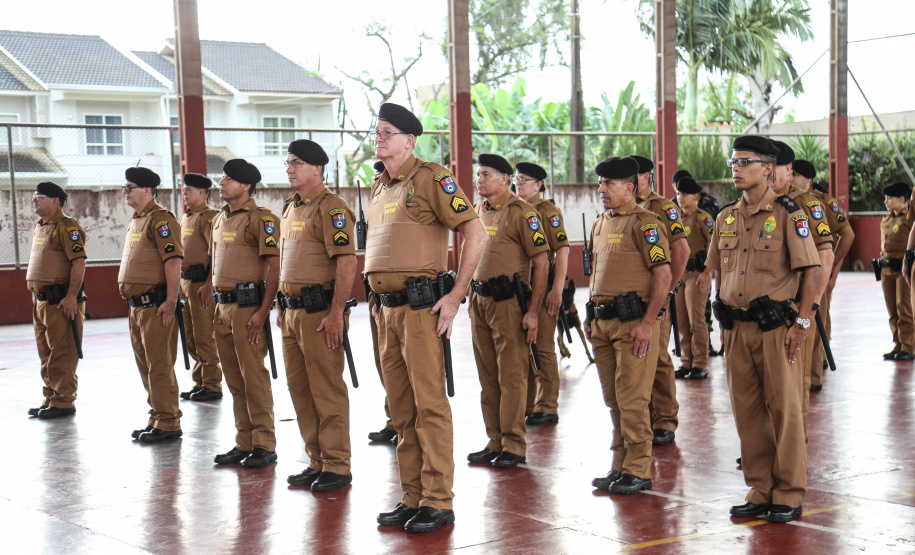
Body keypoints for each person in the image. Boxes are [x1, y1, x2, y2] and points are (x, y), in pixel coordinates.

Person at [366, 102, 487, 533]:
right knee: (400, 408)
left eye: (386, 132)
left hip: (422, 311)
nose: (378, 138)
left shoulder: (432, 178)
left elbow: (476, 231)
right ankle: (412, 495)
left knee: (428, 406)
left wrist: (458, 294)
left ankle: (438, 500)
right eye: (376, 131)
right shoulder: (379, 187)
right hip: (386, 313)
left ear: (409, 140)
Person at [703, 135, 820, 523]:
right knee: (747, 412)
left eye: (744, 162)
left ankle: (788, 491)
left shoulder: (790, 214)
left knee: (784, 411)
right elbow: (718, 269)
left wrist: (802, 322)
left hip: (776, 329)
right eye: (733, 162)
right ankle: (760, 488)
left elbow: (812, 271)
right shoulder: (726, 217)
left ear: (768, 168)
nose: (735, 168)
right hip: (737, 329)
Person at [586, 156, 671, 494]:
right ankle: (619, 465)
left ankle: (638, 468)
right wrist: (590, 309)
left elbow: (663, 276)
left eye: (609, 184)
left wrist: (649, 322)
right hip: (603, 323)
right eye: (601, 183)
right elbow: (595, 273)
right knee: (614, 399)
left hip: (633, 323)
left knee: (633, 398)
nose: (601, 189)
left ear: (630, 188)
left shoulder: (645, 223)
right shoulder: (599, 223)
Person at [278, 139, 357, 492]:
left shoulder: (332, 208)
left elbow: (346, 261)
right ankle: (317, 460)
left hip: (320, 313)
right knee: (300, 389)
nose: (289, 168)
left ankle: (337, 465)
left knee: (326, 389)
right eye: (288, 162)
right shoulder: (290, 208)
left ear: (316, 169)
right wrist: (281, 303)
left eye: (296, 162)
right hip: (292, 315)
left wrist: (337, 312)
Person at [467, 154, 549, 468]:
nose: (479, 180)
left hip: (508, 305)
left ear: (505, 178)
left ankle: (514, 444)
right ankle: (495, 440)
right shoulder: (477, 211)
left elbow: (541, 263)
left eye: (486, 174)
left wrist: (533, 312)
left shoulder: (523, 214)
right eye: (478, 174)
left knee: (511, 377)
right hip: (480, 302)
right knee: (488, 377)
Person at [209, 159, 281, 468]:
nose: (221, 184)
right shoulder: (220, 219)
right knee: (234, 380)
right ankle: (244, 441)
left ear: (245, 186)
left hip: (247, 307)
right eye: (222, 179)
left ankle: (264, 442)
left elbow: (275, 268)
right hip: (222, 308)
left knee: (253, 376)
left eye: (227, 179)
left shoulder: (260, 219)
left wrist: (263, 311)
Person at [768, 141, 834, 423]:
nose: (769, 173)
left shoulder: (807, 204)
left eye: (775, 167)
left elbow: (825, 256)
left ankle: (795, 450)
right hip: (761, 310)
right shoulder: (752, 204)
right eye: (765, 166)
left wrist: (813, 305)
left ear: (789, 170)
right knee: (764, 385)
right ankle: (765, 448)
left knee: (794, 384)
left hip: (796, 306)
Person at [118, 167, 185, 443]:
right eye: (125, 186)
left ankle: (169, 421)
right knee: (146, 365)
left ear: (147, 189)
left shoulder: (161, 220)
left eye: (130, 186)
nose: (125, 191)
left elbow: (173, 261)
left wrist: (171, 301)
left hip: (156, 306)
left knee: (159, 365)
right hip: (137, 307)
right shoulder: (138, 220)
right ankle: (157, 416)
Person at [630, 155, 689, 446]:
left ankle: (664, 419)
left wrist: (668, 292)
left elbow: (682, 252)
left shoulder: (664, 208)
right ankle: (645, 418)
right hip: (629, 300)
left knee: (660, 358)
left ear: (646, 177)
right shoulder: (621, 208)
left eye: (635, 176)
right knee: (636, 359)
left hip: (656, 297)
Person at [513, 161, 570, 426]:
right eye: (516, 178)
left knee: (544, 347)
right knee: (523, 349)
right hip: (518, 290)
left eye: (524, 179)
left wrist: (557, 290)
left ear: (539, 185)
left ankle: (548, 405)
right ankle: (528, 403)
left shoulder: (548, 212)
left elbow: (562, 250)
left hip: (542, 287)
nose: (518, 183)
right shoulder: (515, 210)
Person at [791, 160, 855, 389]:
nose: (790, 178)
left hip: (817, 274)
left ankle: (813, 376)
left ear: (808, 179)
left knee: (815, 324)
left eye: (795, 174)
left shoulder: (822, 202)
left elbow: (847, 235)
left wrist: (833, 271)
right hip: (792, 277)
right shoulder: (784, 199)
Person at [26, 181, 87, 419]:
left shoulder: (67, 227)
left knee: (62, 352)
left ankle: (63, 401)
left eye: (39, 196)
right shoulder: (41, 227)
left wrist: (71, 296)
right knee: (46, 353)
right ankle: (51, 396)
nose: (34, 200)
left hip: (61, 301)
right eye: (34, 196)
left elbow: (79, 262)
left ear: (55, 201)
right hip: (41, 302)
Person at [178, 173, 223, 402]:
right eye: (184, 190)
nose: (184, 194)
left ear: (203, 193)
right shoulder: (186, 218)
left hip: (200, 284)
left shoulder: (209, 218)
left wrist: (209, 284)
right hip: (185, 283)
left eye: (189, 190)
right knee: (190, 336)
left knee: (204, 335)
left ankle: (213, 384)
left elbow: (217, 255)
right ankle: (200, 382)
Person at [367, 160, 398, 444]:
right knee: (384, 364)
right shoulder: (376, 205)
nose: (378, 181)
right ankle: (394, 419)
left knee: (405, 368)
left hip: (405, 299)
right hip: (378, 297)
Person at [673, 177, 714, 380]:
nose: (680, 198)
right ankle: (686, 362)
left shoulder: (703, 218)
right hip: (680, 276)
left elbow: (716, 245)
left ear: (695, 196)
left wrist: (707, 273)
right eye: (679, 194)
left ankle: (700, 363)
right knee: (681, 321)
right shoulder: (675, 218)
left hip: (698, 274)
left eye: (684, 194)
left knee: (696, 321)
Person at [878, 182, 915, 360]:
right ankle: (898, 344)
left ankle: (909, 346)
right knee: (892, 309)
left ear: (902, 199)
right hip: (886, 270)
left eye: (890, 198)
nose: (886, 201)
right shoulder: (887, 218)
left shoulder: (910, 218)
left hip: (902, 269)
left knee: (904, 308)